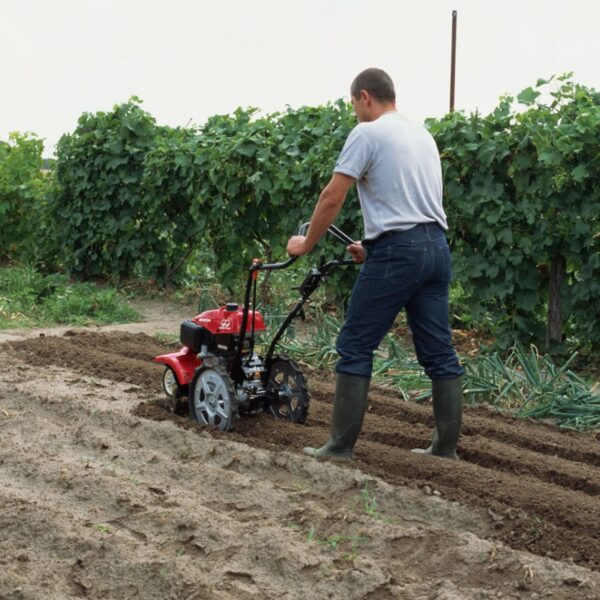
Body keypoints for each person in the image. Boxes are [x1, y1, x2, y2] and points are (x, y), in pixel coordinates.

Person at [287, 67, 464, 460]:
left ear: (364, 96)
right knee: (439, 351)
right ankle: (445, 449)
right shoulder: (422, 134)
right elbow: (409, 200)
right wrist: (372, 243)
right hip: (435, 248)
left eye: (354, 105)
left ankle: (338, 447)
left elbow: (332, 196)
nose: (355, 114)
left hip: (399, 253)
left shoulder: (367, 133)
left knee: (354, 344)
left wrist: (305, 243)